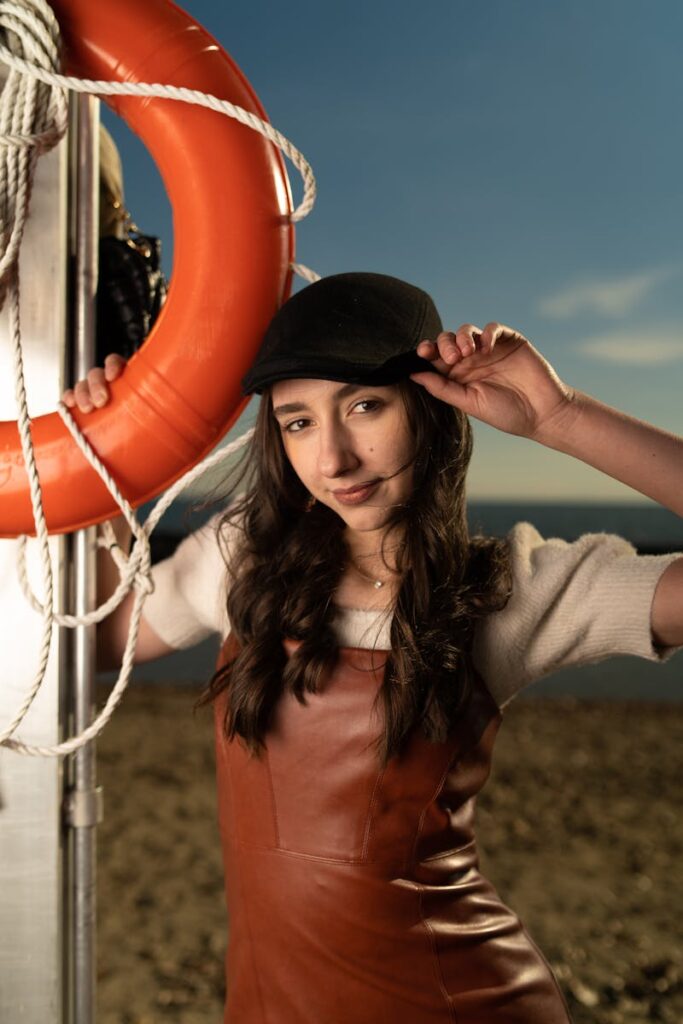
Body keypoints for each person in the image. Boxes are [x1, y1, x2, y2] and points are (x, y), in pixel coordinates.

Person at [63, 272, 683, 1023]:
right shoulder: (241, 560)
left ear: (429, 411)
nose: (333, 459)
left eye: (363, 407)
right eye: (297, 421)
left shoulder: (506, 591)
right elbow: (102, 639)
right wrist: (97, 462)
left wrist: (559, 416)